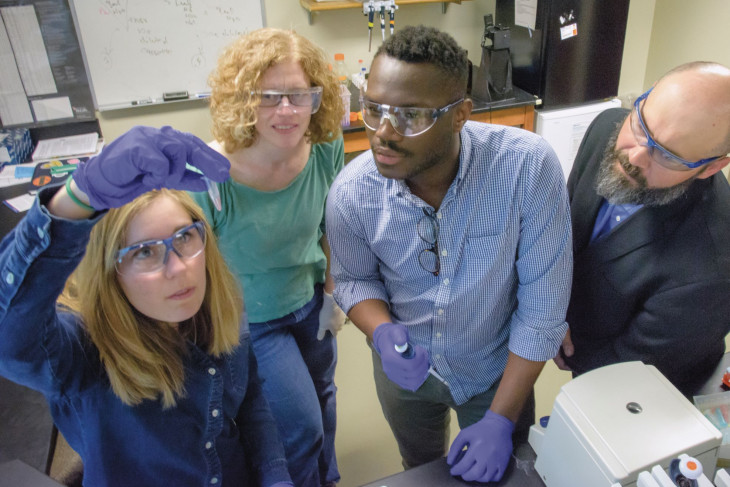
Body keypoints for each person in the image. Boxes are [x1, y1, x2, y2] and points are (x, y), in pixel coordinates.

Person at [325, 25, 572, 483]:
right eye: (374, 109)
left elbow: (543, 308)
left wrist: (500, 420)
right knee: (422, 470)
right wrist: (381, 332)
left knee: (507, 470)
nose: (383, 133)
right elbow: (355, 279)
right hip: (406, 375)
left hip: (496, 370)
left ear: (460, 115)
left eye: (410, 116)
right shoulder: (352, 192)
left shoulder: (526, 167)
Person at [0, 126, 293, 487]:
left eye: (184, 237)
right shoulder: (83, 352)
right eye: (144, 252)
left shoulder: (221, 307)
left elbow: (250, 405)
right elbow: (11, 337)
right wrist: (76, 198)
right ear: (109, 273)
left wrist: (275, 476)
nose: (179, 267)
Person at [191, 28, 346, 487]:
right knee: (300, 430)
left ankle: (327, 479)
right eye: (269, 96)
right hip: (251, 320)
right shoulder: (212, 175)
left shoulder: (324, 148)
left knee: (325, 397)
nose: (286, 110)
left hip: (311, 299)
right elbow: (197, 270)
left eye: (298, 95)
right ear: (243, 98)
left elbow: (334, 226)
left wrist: (335, 294)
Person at [556, 61, 730, 397]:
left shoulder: (712, 271)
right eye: (641, 126)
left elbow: (621, 379)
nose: (635, 156)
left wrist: (570, 359)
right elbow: (565, 226)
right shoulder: (609, 126)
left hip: (645, 396)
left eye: (667, 155)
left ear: (711, 167)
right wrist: (547, 316)